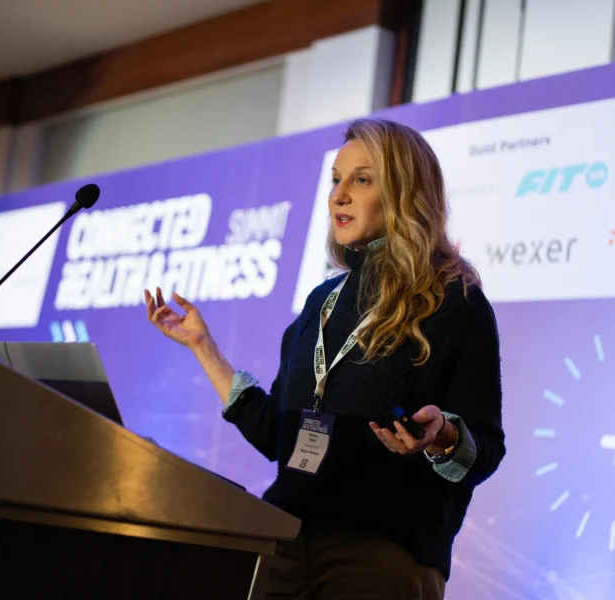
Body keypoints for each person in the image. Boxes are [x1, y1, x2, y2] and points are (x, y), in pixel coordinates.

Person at [144, 117, 505, 599]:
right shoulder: (321, 303)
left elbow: (484, 450)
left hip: (380, 552)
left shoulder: (454, 302)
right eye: (336, 179)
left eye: (361, 179)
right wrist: (203, 347)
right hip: (284, 541)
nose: (339, 195)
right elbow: (278, 433)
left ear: (404, 191)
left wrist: (442, 437)